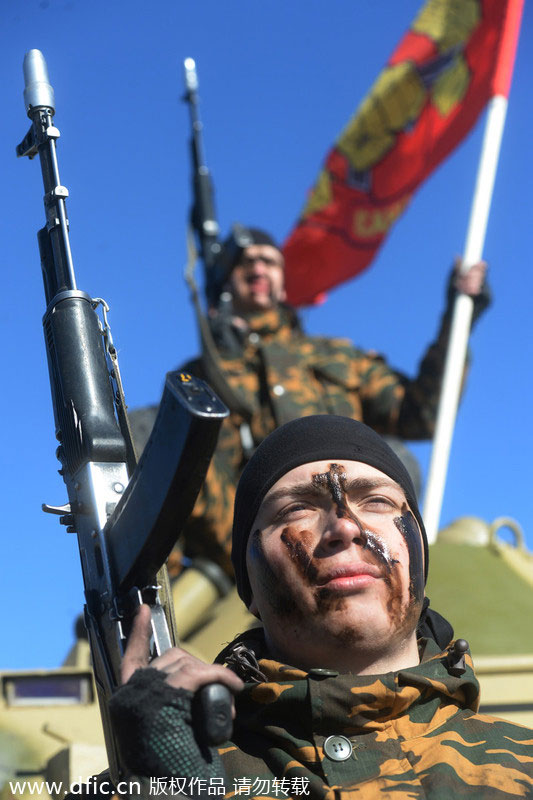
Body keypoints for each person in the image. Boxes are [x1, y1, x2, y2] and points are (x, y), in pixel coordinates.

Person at [110, 416, 532, 798]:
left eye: (378, 501)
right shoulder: (163, 774)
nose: (345, 527)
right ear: (248, 583)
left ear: (421, 547)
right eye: (296, 508)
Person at [165, 228, 489, 577]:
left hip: (352, 530)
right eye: (244, 263)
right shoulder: (200, 376)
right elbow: (181, 481)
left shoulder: (335, 356)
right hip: (246, 551)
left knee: (396, 455)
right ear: (223, 283)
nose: (257, 269)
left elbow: (421, 415)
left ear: (283, 284)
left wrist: (456, 319)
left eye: (268, 261)